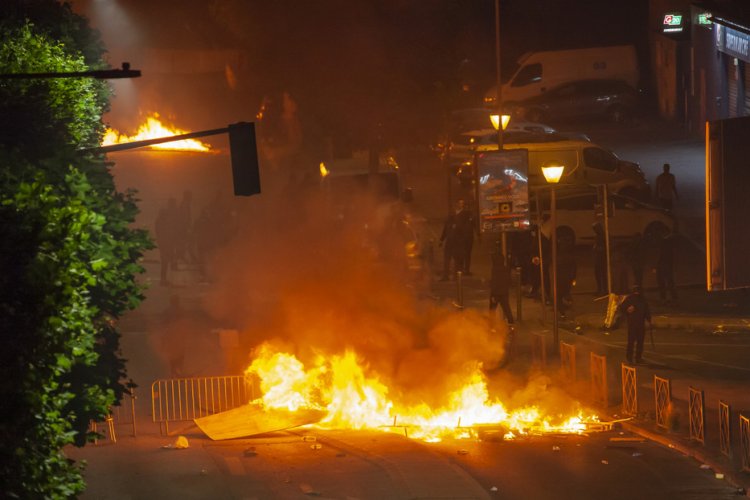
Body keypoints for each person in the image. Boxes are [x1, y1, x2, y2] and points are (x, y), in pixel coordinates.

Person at [618, 285, 652, 365]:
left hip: (636, 323)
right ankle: (634, 358)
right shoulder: (635, 299)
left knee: (635, 342)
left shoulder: (636, 299)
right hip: (635, 323)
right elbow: (622, 308)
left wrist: (648, 319)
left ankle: (635, 358)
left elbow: (646, 310)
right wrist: (627, 310)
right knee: (635, 342)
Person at [439, 200, 471, 280]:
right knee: (447, 259)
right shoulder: (451, 216)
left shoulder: (465, 215)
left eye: (461, 204)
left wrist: (463, 241)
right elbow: (446, 228)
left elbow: (466, 230)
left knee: (457, 260)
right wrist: (442, 239)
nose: (459, 205)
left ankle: (456, 277)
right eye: (458, 203)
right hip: (449, 241)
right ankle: (445, 276)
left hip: (458, 242)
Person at [155, 197, 180, 286]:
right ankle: (163, 280)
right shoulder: (162, 222)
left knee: (165, 262)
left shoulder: (160, 221)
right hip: (164, 244)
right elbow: (163, 234)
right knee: (164, 262)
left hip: (164, 244)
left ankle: (164, 279)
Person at [489, 250, 514, 326]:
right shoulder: (505, 269)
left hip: (496, 293)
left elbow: (494, 283)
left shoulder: (495, 270)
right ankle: (511, 323)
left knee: (492, 310)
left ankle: (491, 325)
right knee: (507, 309)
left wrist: (493, 295)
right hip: (504, 293)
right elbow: (509, 281)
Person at [656, 229, 678, 303]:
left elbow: (660, 255)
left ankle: (664, 298)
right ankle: (673, 297)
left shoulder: (663, 242)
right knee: (670, 281)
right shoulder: (670, 242)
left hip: (663, 265)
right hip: (668, 265)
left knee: (662, 282)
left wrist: (657, 265)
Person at [592, 222, 608, 296]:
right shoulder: (597, 236)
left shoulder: (603, 236)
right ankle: (600, 289)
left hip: (602, 259)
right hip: (597, 258)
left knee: (603, 275)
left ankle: (604, 289)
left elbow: (605, 248)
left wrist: (598, 249)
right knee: (598, 275)